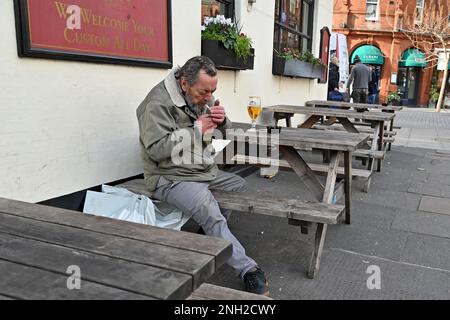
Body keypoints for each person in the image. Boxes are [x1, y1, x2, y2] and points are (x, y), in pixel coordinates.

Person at [136, 56, 269, 296]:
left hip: (199, 169)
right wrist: (195, 131)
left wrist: (222, 120)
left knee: (237, 185)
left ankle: (207, 237)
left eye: (212, 91)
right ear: (184, 83)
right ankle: (248, 269)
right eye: (203, 92)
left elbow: (221, 131)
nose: (208, 97)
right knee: (211, 213)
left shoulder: (196, 95)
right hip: (168, 176)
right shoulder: (157, 103)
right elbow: (155, 149)